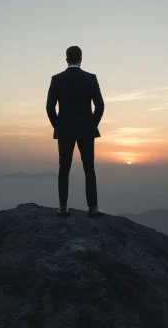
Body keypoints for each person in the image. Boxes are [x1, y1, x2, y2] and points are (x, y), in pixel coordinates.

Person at [46, 46, 105, 218]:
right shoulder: (90, 79)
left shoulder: (57, 79)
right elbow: (100, 106)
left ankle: (63, 208)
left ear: (66, 59)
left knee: (64, 168)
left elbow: (50, 107)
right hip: (86, 130)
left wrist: (58, 125)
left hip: (64, 130)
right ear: (81, 59)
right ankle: (93, 208)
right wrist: (91, 125)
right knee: (89, 169)